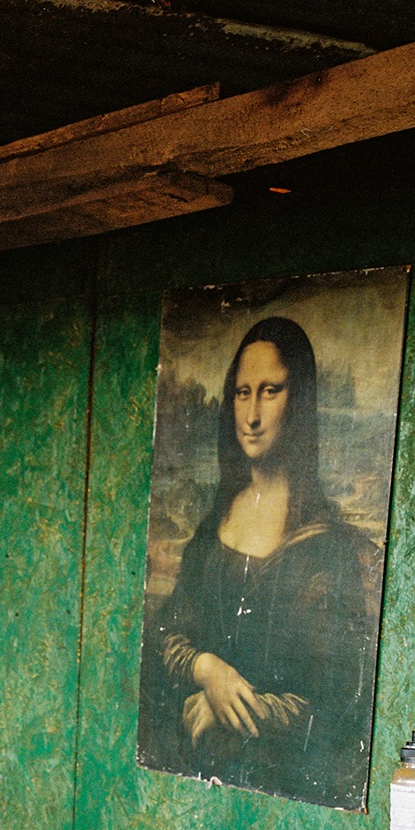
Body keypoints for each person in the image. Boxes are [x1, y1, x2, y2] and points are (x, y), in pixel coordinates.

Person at [150, 316, 373, 804]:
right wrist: (208, 670)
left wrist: (231, 712)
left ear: (300, 401)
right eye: (241, 392)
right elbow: (167, 634)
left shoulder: (324, 547)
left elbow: (335, 702)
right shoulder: (214, 527)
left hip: (282, 789)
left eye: (270, 391)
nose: (251, 414)